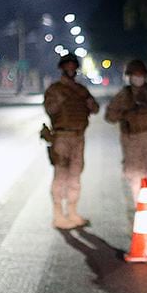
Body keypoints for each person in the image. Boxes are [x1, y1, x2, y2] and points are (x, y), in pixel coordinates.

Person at [104, 59, 147, 220]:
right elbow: (109, 116)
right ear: (129, 77)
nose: (138, 78)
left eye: (140, 75)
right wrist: (125, 114)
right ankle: (143, 212)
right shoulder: (124, 95)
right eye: (135, 75)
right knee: (136, 179)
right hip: (132, 142)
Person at [43, 53, 100, 229]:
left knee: (75, 176)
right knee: (60, 176)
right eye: (67, 67)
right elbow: (50, 109)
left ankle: (73, 212)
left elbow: (95, 108)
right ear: (62, 68)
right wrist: (61, 100)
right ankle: (58, 214)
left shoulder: (81, 90)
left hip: (78, 137)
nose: (70, 69)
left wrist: (88, 103)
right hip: (61, 137)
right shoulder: (55, 89)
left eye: (73, 67)